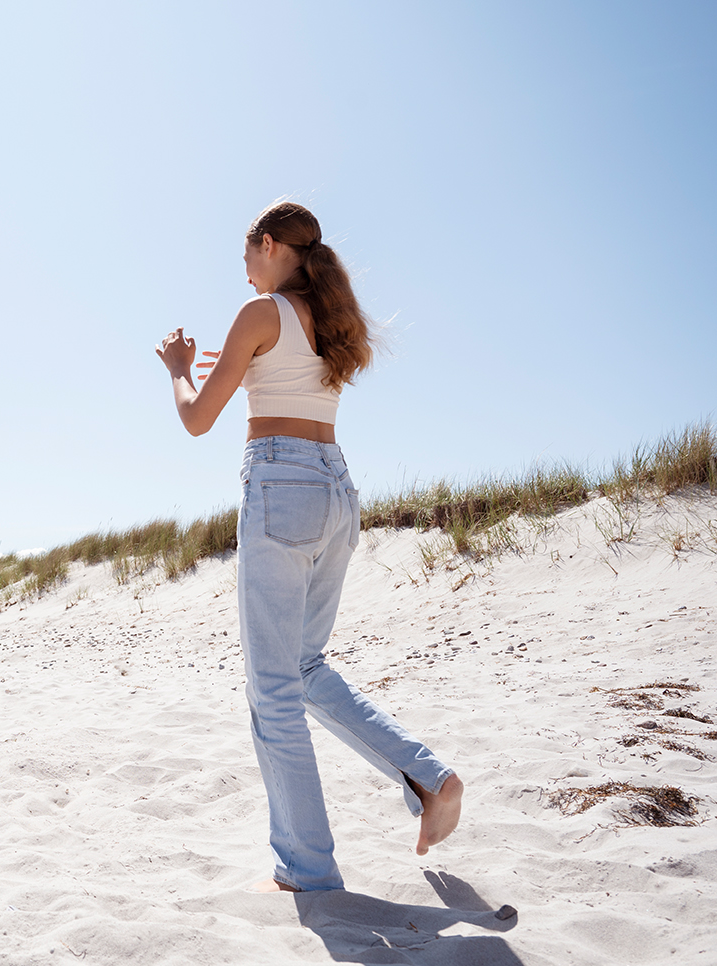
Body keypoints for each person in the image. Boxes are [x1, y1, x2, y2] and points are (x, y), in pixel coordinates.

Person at [155, 201, 462, 893]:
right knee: (303, 667)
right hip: (337, 492)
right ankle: (428, 776)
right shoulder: (329, 318)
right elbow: (281, 383)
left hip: (281, 488)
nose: (244, 272)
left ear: (268, 245)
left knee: (273, 692)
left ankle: (307, 867)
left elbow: (198, 418)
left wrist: (177, 367)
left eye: (246, 257)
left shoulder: (261, 313)